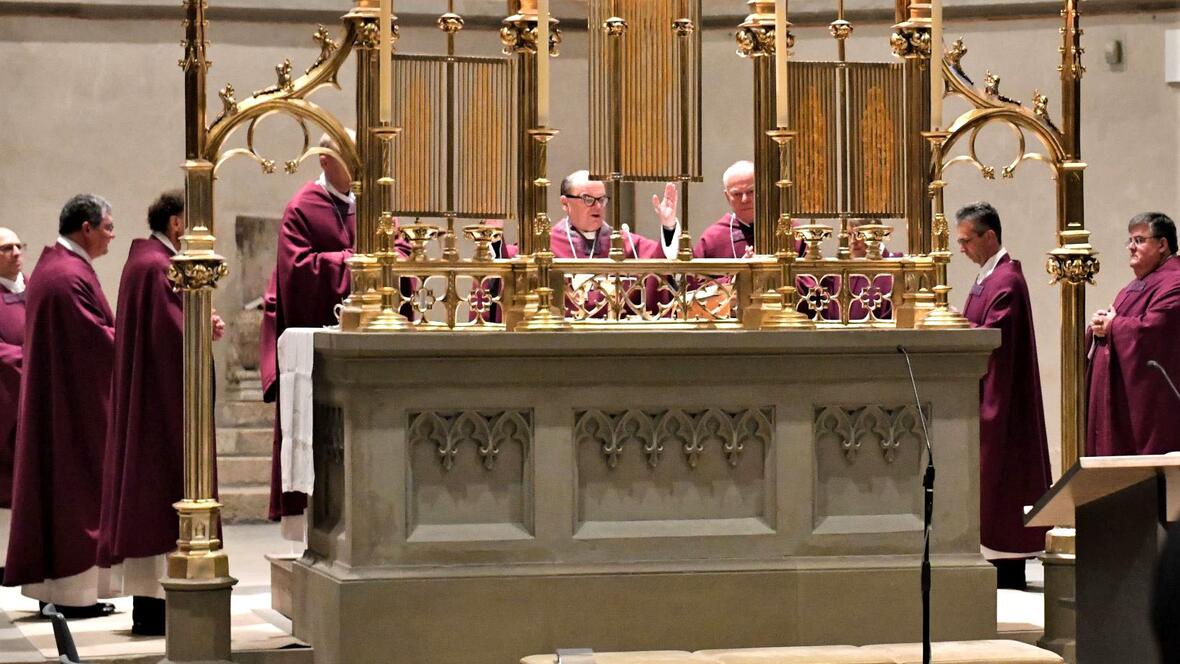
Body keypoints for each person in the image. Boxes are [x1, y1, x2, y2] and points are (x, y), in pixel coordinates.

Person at [98, 191, 225, 634]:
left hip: (150, 399)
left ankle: (150, 608)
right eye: (196, 224)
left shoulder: (144, 260)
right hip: (164, 410)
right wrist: (202, 325)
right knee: (162, 498)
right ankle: (155, 611)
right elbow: (174, 336)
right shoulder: (160, 266)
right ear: (176, 224)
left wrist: (199, 318)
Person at [3, 194, 118, 618]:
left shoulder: (57, 269)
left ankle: (65, 591)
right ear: (84, 228)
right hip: (73, 411)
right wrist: (137, 344)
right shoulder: (66, 275)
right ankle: (72, 594)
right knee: (75, 493)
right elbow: (93, 341)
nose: (112, 235)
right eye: (107, 226)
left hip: (64, 404)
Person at [261, 132, 357, 533]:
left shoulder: (372, 203)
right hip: (318, 345)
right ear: (324, 160)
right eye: (348, 156)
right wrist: (354, 263)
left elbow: (399, 251)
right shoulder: (302, 207)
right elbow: (297, 271)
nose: (356, 165)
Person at [956, 202, 1052, 590]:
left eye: (966, 240)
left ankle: (1007, 569)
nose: (960, 248)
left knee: (1003, 483)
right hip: (983, 392)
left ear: (989, 236)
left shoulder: (1006, 281)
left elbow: (995, 341)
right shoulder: (986, 278)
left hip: (1003, 401)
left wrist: (958, 329)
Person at [1086, 212, 1180, 457]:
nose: (1131, 247)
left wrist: (1113, 326)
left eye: (1139, 240)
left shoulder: (1175, 282)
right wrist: (1098, 326)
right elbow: (1120, 320)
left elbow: (1155, 330)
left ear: (1162, 244)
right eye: (1129, 241)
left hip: (1151, 407)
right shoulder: (1137, 285)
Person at [551, 170, 677, 318]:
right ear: (565, 203)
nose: (598, 206)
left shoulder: (625, 244)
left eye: (602, 199)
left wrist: (669, 227)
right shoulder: (547, 246)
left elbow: (661, 258)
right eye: (588, 199)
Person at [0, 227, 27, 582]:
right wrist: (29, 358)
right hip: (6, 400)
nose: (16, 252)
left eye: (20, 245)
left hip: (33, 398)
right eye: (7, 248)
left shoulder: (33, 287)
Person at [692, 161, 757, 259]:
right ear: (727, 196)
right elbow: (696, 274)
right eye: (737, 194)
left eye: (751, 192)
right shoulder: (713, 238)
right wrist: (740, 272)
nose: (745, 200)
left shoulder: (784, 229)